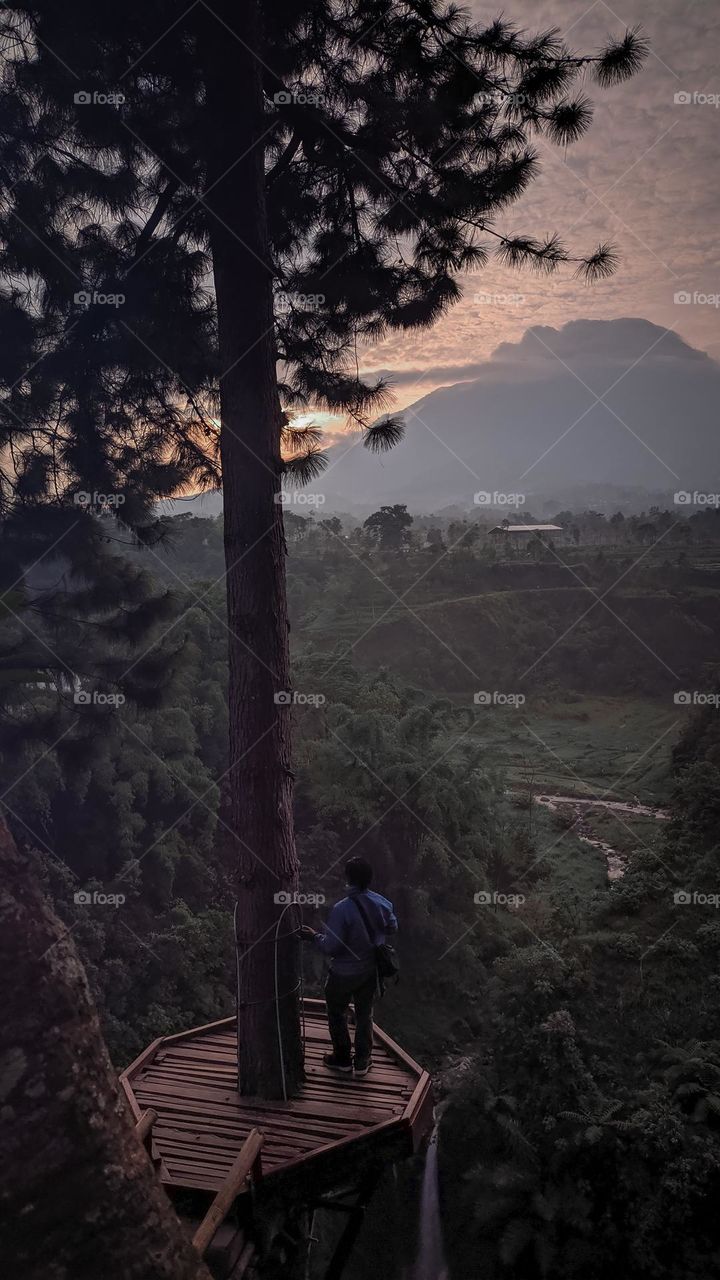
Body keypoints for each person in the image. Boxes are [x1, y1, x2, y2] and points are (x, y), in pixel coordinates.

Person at [300, 857, 398, 1077]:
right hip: (371, 971)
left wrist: (314, 937)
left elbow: (332, 946)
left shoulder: (341, 909)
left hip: (343, 972)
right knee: (365, 1014)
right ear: (369, 879)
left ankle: (342, 1059)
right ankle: (363, 1061)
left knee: (336, 1012)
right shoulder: (382, 903)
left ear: (348, 878)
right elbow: (392, 927)